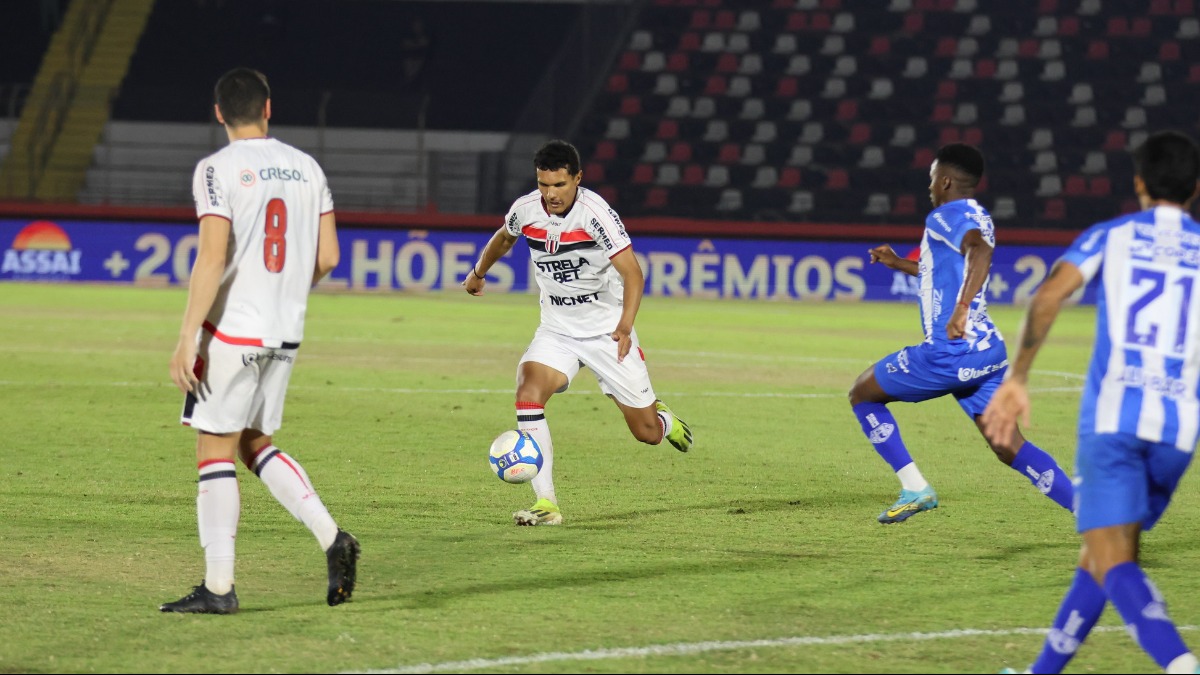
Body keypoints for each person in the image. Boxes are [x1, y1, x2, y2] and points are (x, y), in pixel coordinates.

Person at [983, 131, 1200, 673]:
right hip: (1177, 433)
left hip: (1115, 424)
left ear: (1140, 183)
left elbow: (1051, 293)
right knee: (1098, 558)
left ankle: (1179, 664)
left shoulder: (1114, 235)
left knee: (1113, 561)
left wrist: (1018, 378)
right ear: (1195, 189)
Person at [161, 67, 359, 614]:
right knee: (249, 442)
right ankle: (331, 537)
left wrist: (185, 338)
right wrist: (287, 290)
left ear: (219, 112)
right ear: (268, 108)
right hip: (285, 330)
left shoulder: (215, 169)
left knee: (212, 449)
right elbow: (328, 258)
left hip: (232, 331)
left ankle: (219, 589)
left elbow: (211, 256)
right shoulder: (308, 167)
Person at [462, 139, 693, 526]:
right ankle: (546, 503)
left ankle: (664, 419)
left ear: (577, 179)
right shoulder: (525, 210)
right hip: (557, 330)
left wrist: (625, 326)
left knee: (646, 433)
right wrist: (478, 272)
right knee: (528, 393)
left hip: (607, 333)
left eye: (559, 185)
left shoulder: (595, 214)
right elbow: (504, 237)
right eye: (543, 185)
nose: (550, 194)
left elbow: (633, 273)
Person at [850, 143, 1075, 524]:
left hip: (950, 353)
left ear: (946, 180)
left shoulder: (944, 215)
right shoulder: (978, 214)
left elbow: (980, 253)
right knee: (1008, 445)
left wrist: (960, 309)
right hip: (987, 352)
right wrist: (897, 263)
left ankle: (915, 488)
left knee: (863, 394)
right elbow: (944, 272)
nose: (930, 186)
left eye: (932, 178)